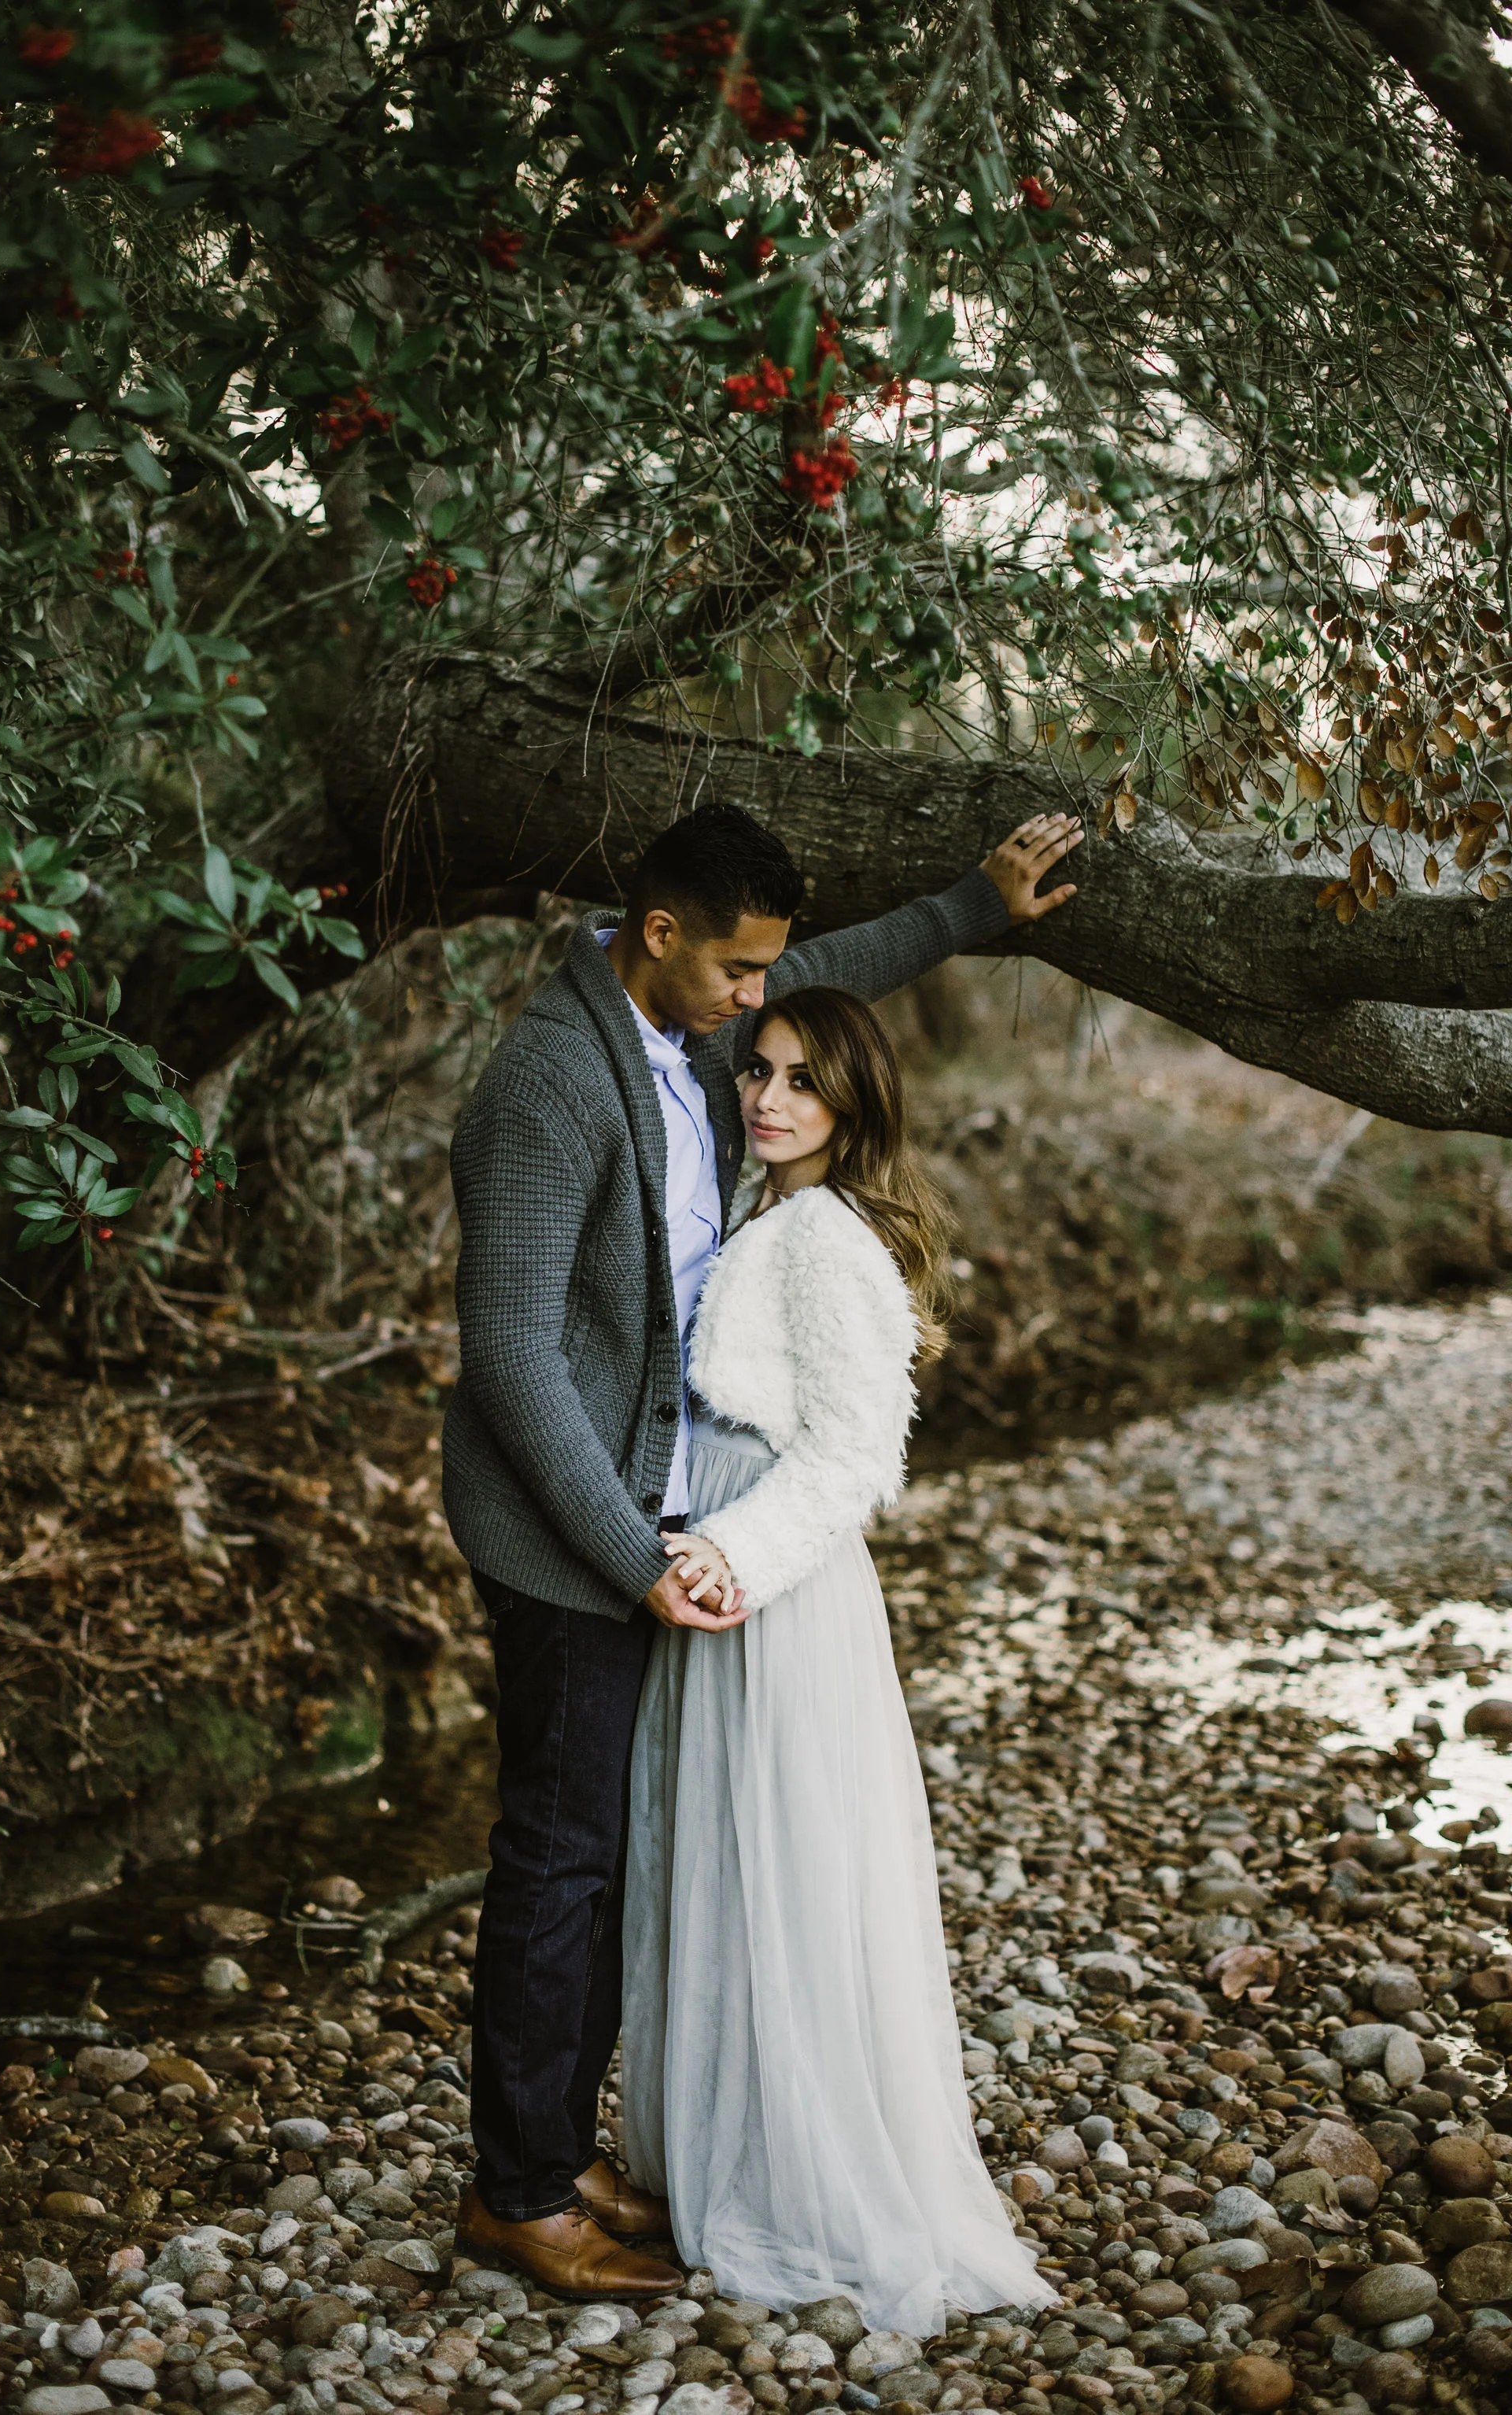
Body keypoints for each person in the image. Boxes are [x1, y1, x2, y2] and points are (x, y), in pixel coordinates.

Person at [444, 801, 1081, 2297]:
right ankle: (520, 2192)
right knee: (559, 1853)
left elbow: (828, 989)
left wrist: (973, 906)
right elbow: (512, 1358)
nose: (759, 1009)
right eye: (740, 974)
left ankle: (557, 2144)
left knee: (611, 1852)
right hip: (565, 1529)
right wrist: (639, 1556)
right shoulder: (548, 1081)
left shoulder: (711, 1043)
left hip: (663, 1513)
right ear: (657, 937)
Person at [621, 988, 1057, 2333]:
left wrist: (728, 1559)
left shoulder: (825, 1235)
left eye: (803, 1080)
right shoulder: (774, 1213)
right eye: (757, 1070)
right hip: (737, 1573)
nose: (769, 1098)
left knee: (786, 1871)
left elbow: (859, 1456)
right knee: (729, 1869)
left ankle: (802, 2179)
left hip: (776, 1589)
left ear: (854, 1100)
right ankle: (727, 2149)